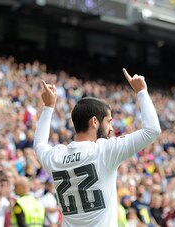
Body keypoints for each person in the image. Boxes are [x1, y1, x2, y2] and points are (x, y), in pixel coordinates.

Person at [33, 68, 161, 226]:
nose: (111, 128)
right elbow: (152, 130)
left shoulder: (56, 157)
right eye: (109, 121)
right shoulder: (104, 151)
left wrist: (48, 108)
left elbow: (39, 144)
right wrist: (141, 91)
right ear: (94, 122)